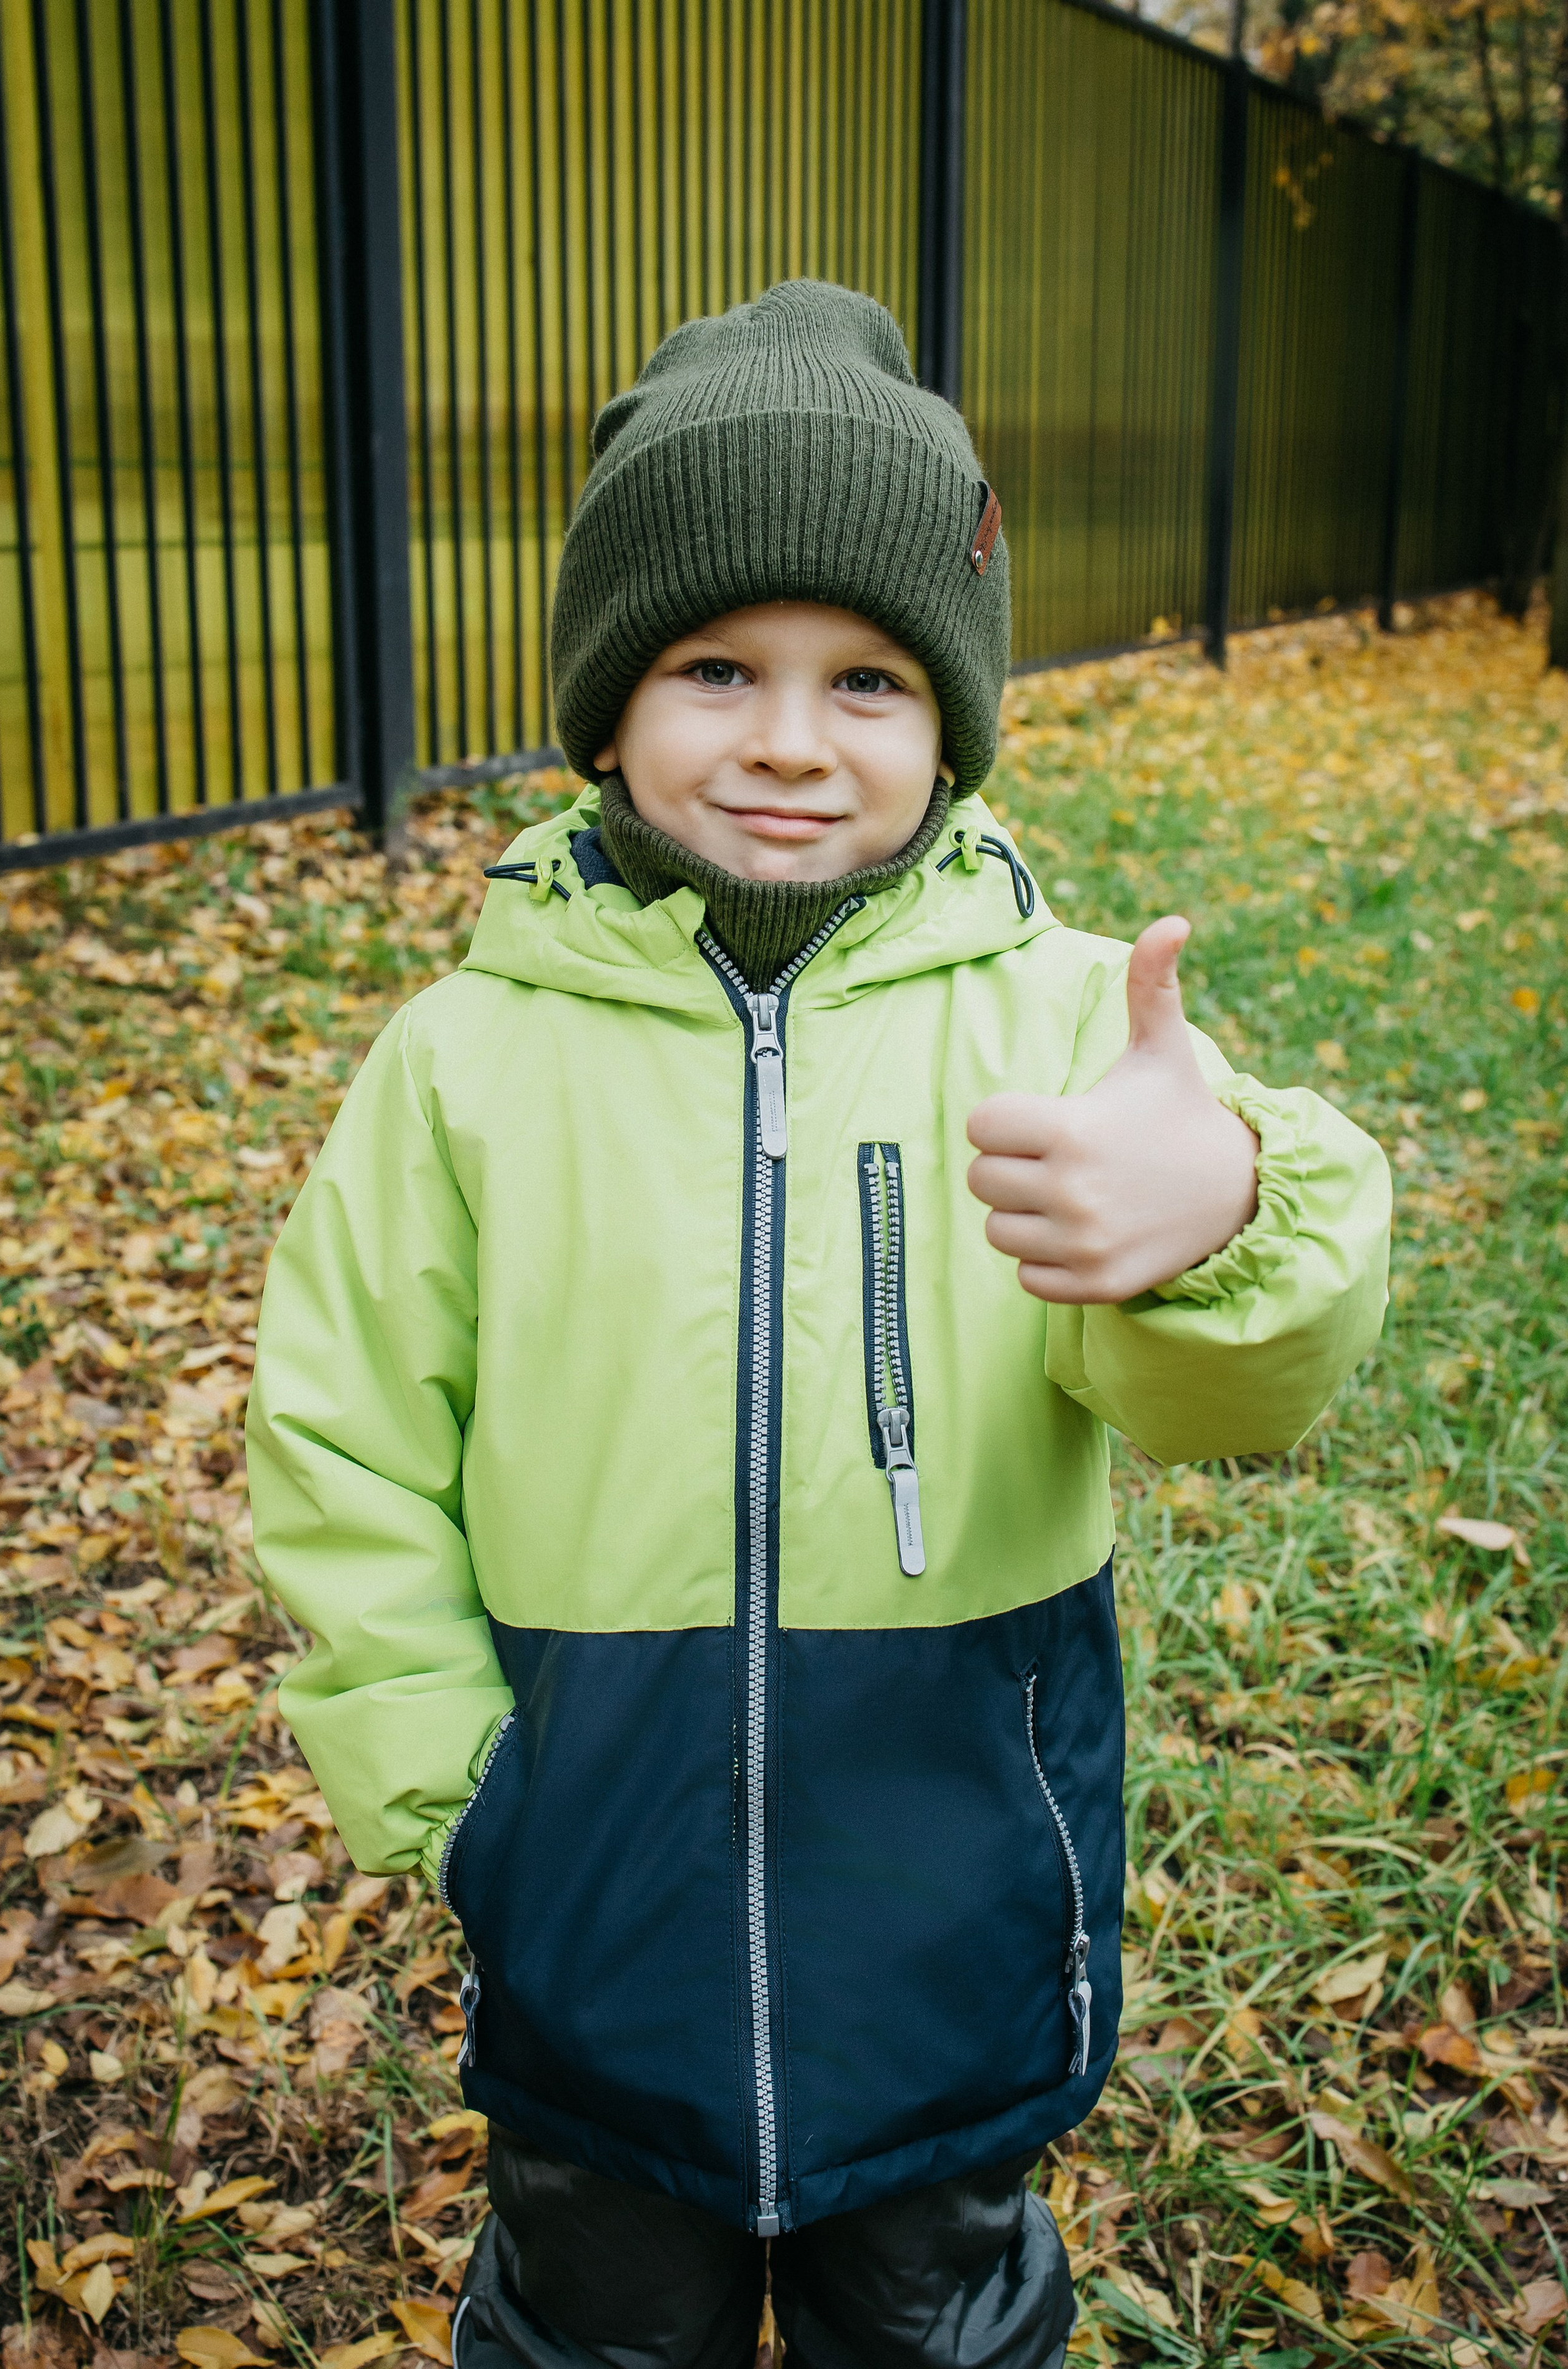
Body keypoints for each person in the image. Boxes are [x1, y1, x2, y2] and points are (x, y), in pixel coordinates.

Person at [247, 280, 1391, 2369]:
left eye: (868, 676)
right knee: (592, 2320)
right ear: (607, 706)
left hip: (947, 1907)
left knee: (940, 2322)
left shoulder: (1055, 1025)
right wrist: (461, 1795)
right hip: (596, 1903)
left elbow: (1226, 1389)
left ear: (951, 718)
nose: (790, 737)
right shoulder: (465, 1061)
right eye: (716, 666)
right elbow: (345, 1448)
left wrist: (1219, 1213)